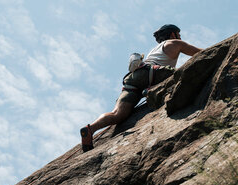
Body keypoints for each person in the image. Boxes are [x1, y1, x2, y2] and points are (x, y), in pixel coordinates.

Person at [80, 24, 201, 152]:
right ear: (172, 34)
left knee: (118, 114)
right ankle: (153, 90)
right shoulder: (175, 42)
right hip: (153, 73)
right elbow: (200, 53)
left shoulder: (154, 50)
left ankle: (90, 129)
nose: (180, 37)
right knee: (182, 73)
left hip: (134, 78)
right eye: (179, 34)